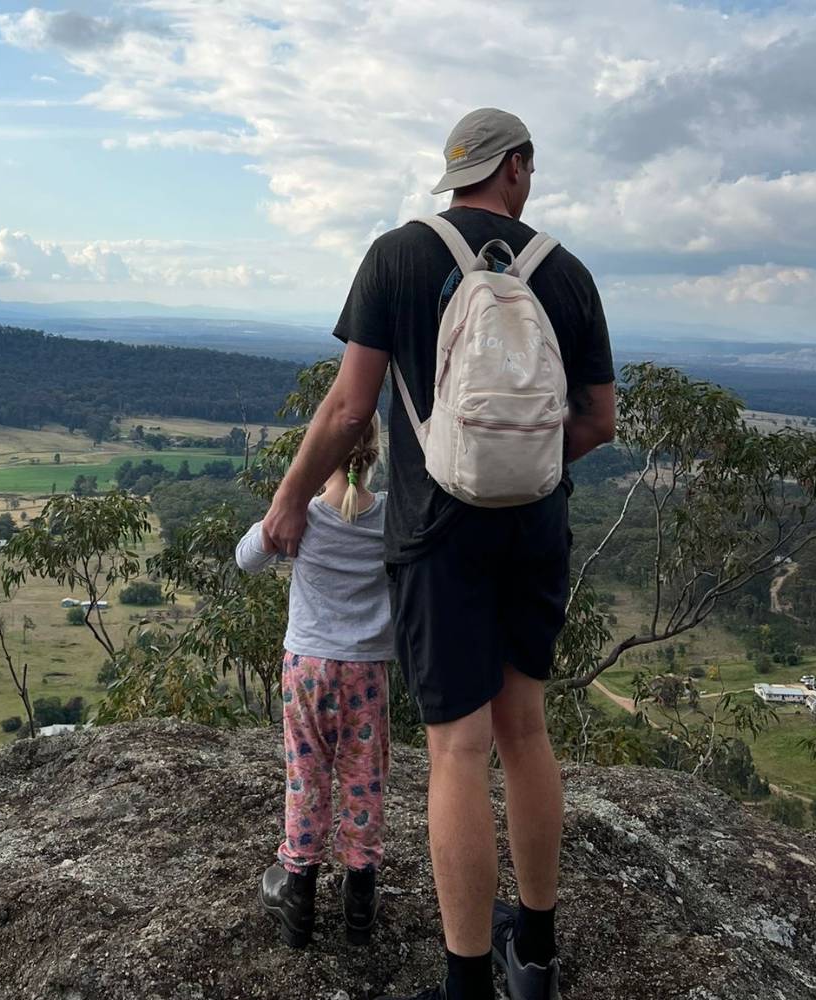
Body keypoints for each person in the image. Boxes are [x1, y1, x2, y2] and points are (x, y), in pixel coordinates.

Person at [258, 108, 616, 1000]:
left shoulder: (398, 255)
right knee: (523, 730)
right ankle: (532, 956)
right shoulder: (564, 273)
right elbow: (599, 421)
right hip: (535, 526)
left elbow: (348, 411)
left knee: (457, 747)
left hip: (433, 531)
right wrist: (526, 466)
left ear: (454, 176)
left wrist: (289, 499)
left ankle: (463, 985)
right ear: (518, 169)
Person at [236, 414, 394, 950]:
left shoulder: (302, 516)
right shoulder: (392, 517)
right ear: (374, 455)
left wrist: (281, 511)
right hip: (367, 672)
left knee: (307, 775)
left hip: (306, 668)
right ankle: (359, 902)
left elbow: (246, 560)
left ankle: (298, 893)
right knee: (362, 780)